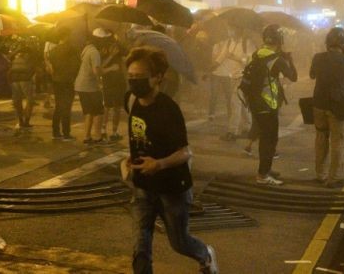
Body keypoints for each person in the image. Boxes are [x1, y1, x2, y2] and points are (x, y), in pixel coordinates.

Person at [124, 47, 218, 274]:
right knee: (141, 241)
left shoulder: (169, 110)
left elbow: (185, 153)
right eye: (131, 77)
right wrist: (129, 160)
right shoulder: (131, 100)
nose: (134, 83)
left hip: (172, 187)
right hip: (143, 184)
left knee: (179, 242)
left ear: (157, 78)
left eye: (140, 78)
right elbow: (139, 135)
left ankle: (205, 254)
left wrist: (158, 164)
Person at [245, 24, 298, 185]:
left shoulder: (257, 54)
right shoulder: (278, 60)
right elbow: (293, 77)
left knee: (265, 138)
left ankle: (266, 169)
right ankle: (262, 175)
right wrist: (289, 59)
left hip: (255, 102)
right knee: (270, 139)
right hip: (268, 104)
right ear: (279, 40)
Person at [310, 28, 344, 188]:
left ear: (327, 43)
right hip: (337, 106)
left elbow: (312, 75)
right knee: (338, 141)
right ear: (343, 44)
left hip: (318, 104)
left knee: (321, 139)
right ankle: (334, 178)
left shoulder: (318, 58)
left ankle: (320, 175)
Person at [209, 29, 253, 141]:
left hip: (244, 77)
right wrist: (213, 66)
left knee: (235, 102)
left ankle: (232, 132)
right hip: (232, 76)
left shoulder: (247, 43)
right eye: (228, 29)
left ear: (237, 29)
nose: (229, 31)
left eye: (231, 28)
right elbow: (222, 56)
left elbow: (249, 61)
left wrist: (235, 58)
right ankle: (248, 128)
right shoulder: (229, 42)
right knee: (242, 103)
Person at [75, 29, 107, 145]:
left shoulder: (86, 49)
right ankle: (97, 137)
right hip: (91, 86)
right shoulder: (94, 52)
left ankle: (87, 136)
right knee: (98, 112)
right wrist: (110, 69)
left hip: (81, 85)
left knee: (88, 112)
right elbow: (96, 70)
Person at [47, 27, 80, 141]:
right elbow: (76, 64)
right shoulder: (71, 49)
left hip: (56, 81)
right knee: (66, 107)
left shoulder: (52, 51)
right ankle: (66, 133)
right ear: (67, 36)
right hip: (67, 81)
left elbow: (51, 67)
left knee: (58, 106)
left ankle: (55, 132)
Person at [100, 32, 126, 141]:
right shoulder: (104, 53)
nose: (114, 48)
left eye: (116, 46)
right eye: (112, 46)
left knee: (117, 108)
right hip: (108, 84)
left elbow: (126, 62)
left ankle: (114, 132)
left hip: (119, 84)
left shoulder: (121, 54)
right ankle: (103, 130)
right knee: (106, 107)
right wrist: (111, 56)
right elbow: (101, 67)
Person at [8, 43, 38, 134]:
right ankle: (26, 121)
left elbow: (8, 61)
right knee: (30, 100)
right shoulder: (31, 55)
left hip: (14, 79)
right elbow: (34, 67)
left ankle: (20, 120)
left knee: (17, 101)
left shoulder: (14, 56)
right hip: (25, 79)